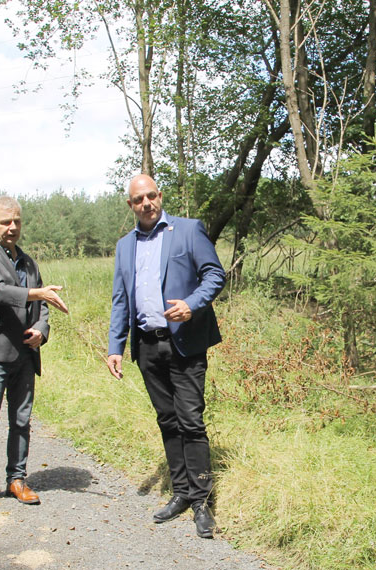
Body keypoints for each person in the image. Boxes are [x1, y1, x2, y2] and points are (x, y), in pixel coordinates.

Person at [106, 174, 226, 538]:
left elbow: (214, 275)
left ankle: (202, 503)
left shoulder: (188, 231)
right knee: (167, 420)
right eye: (138, 199)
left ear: (160, 196)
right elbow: (120, 299)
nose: (146, 203)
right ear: (130, 205)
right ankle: (181, 493)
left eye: (151, 196)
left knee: (190, 421)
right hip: (146, 345)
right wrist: (116, 346)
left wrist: (191, 305)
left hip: (185, 343)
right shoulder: (125, 245)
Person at [0, 196, 68, 515]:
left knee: (21, 421)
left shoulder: (29, 262)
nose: (12, 227)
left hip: (24, 354)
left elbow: (43, 308)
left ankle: (17, 479)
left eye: (17, 221)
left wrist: (41, 332)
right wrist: (37, 293)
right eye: (6, 221)